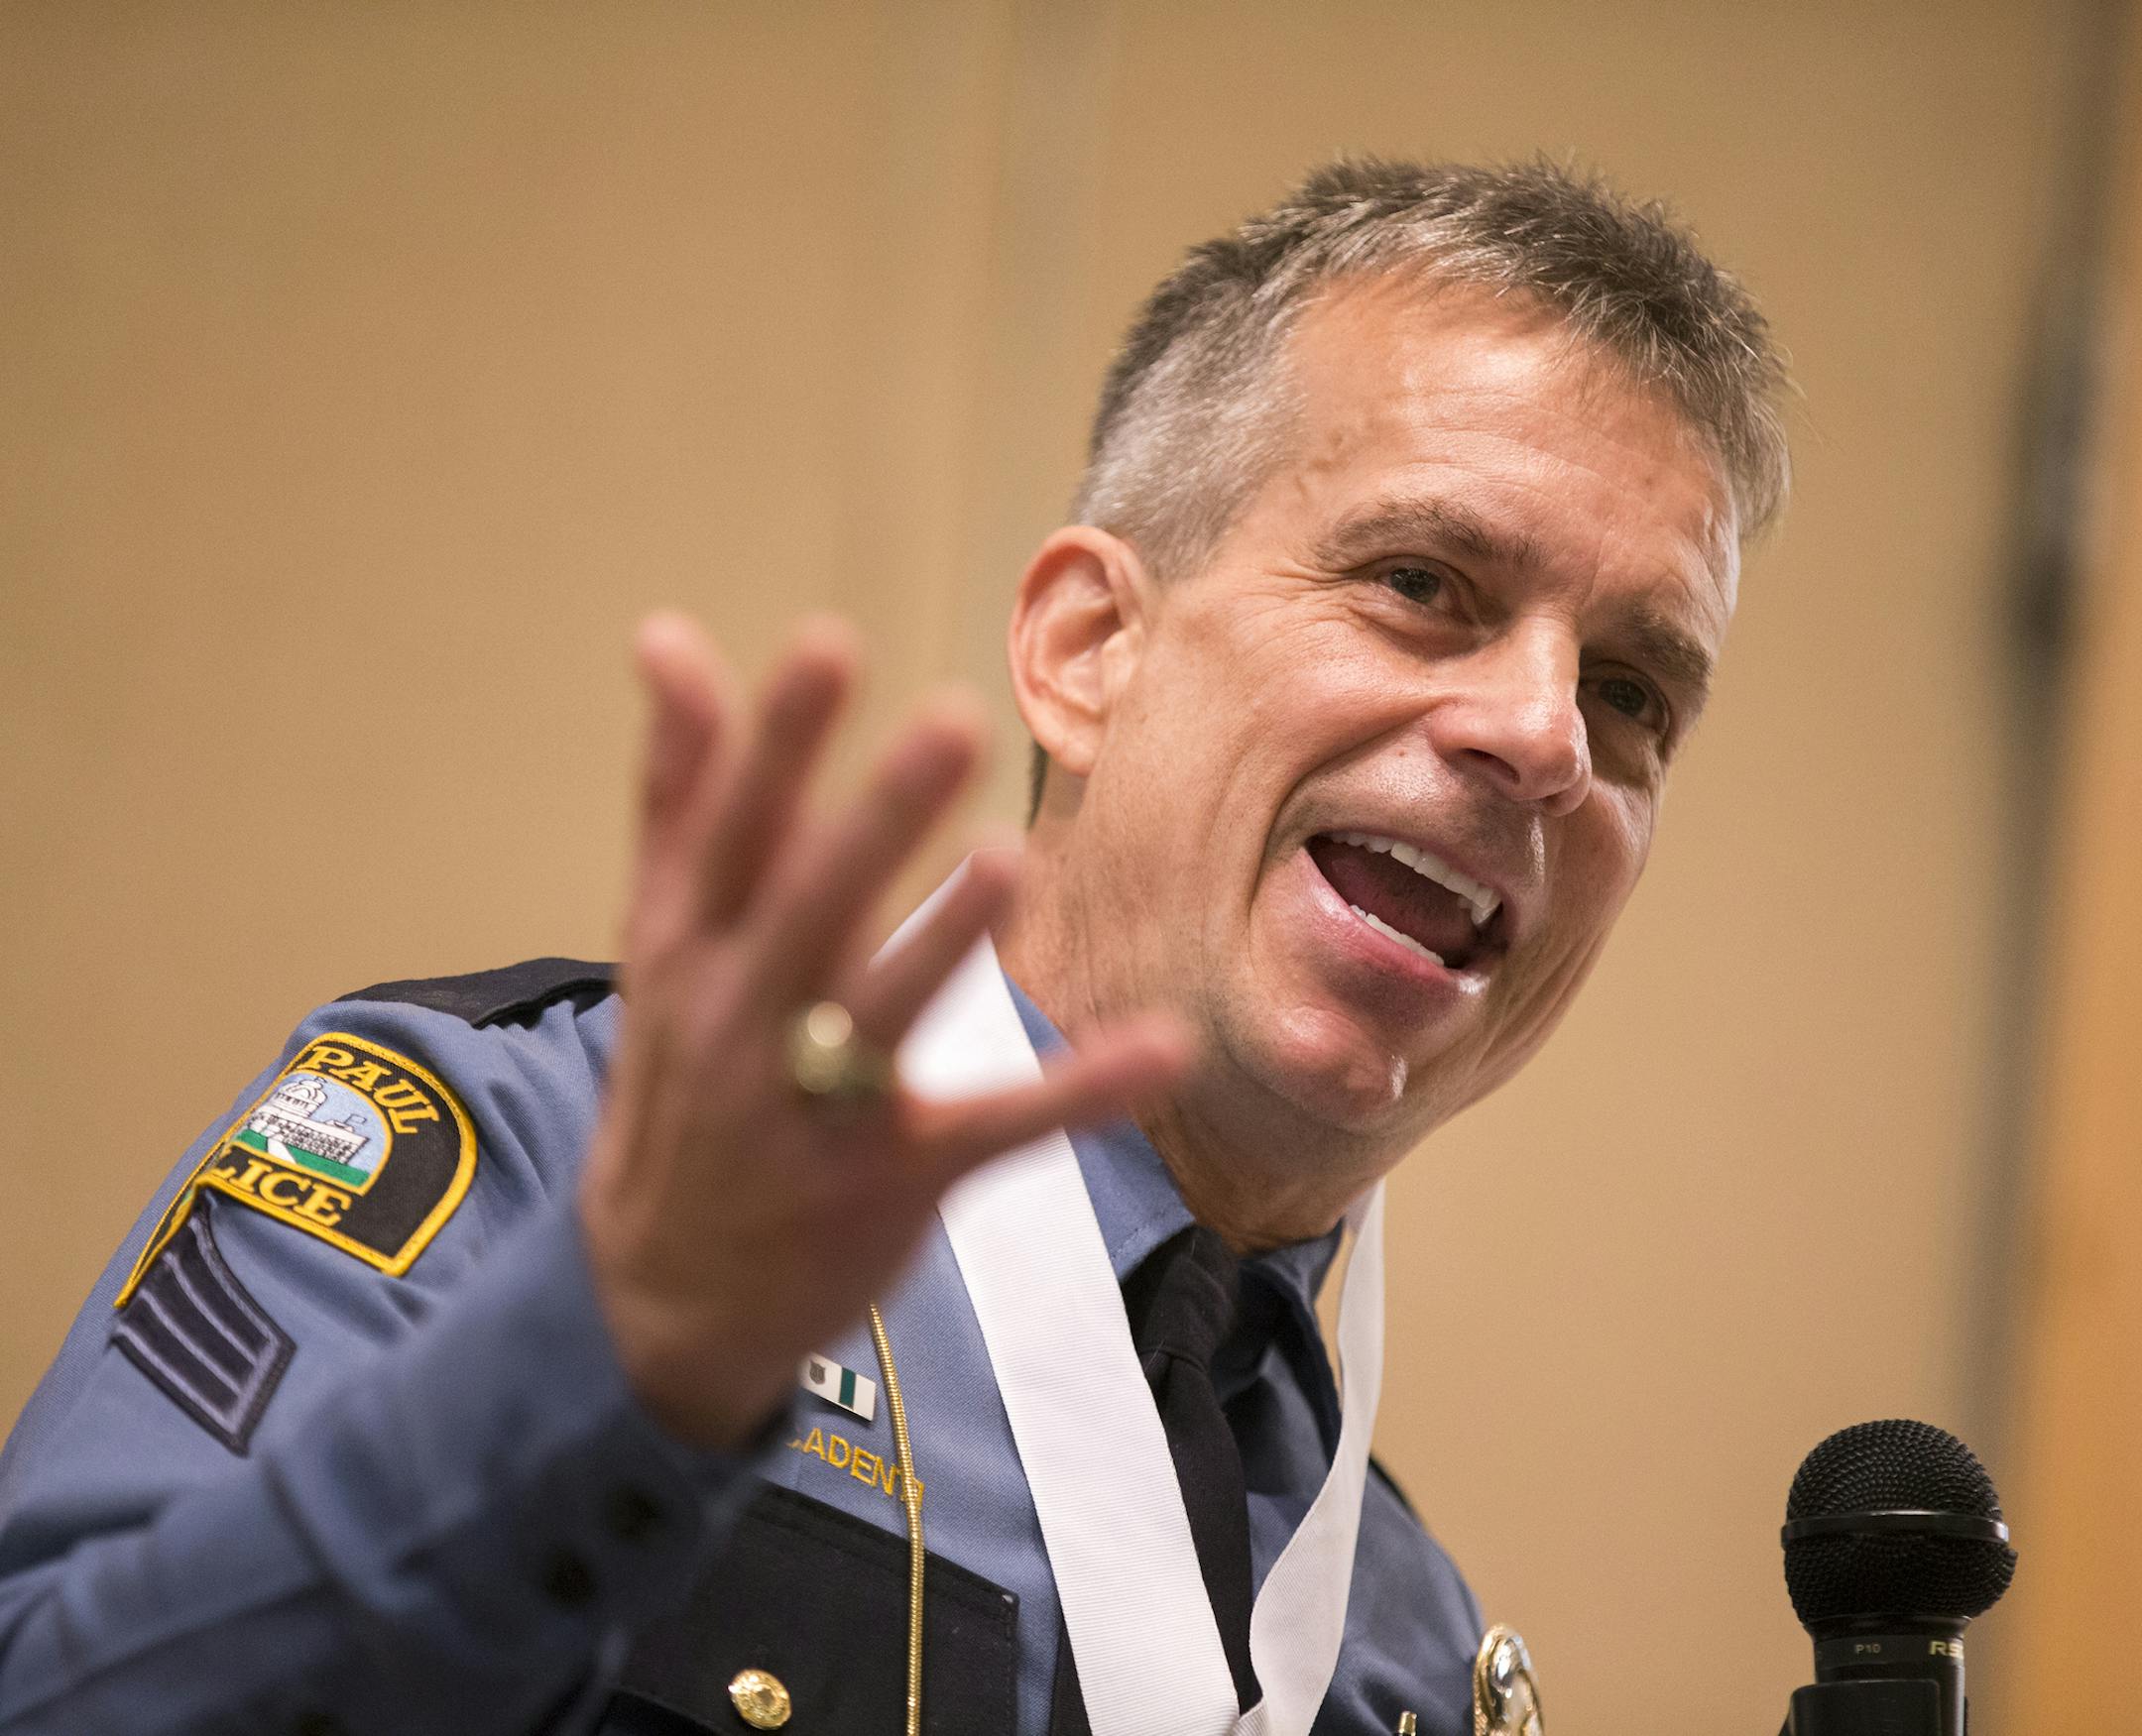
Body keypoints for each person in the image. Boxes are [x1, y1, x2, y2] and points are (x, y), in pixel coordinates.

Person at [0, 156, 1788, 1735]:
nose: (1547, 738)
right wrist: (608, 1384)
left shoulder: (1401, 1641)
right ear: (1088, 650)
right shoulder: (522, 1177)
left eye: (1633, 692)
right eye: (1424, 586)